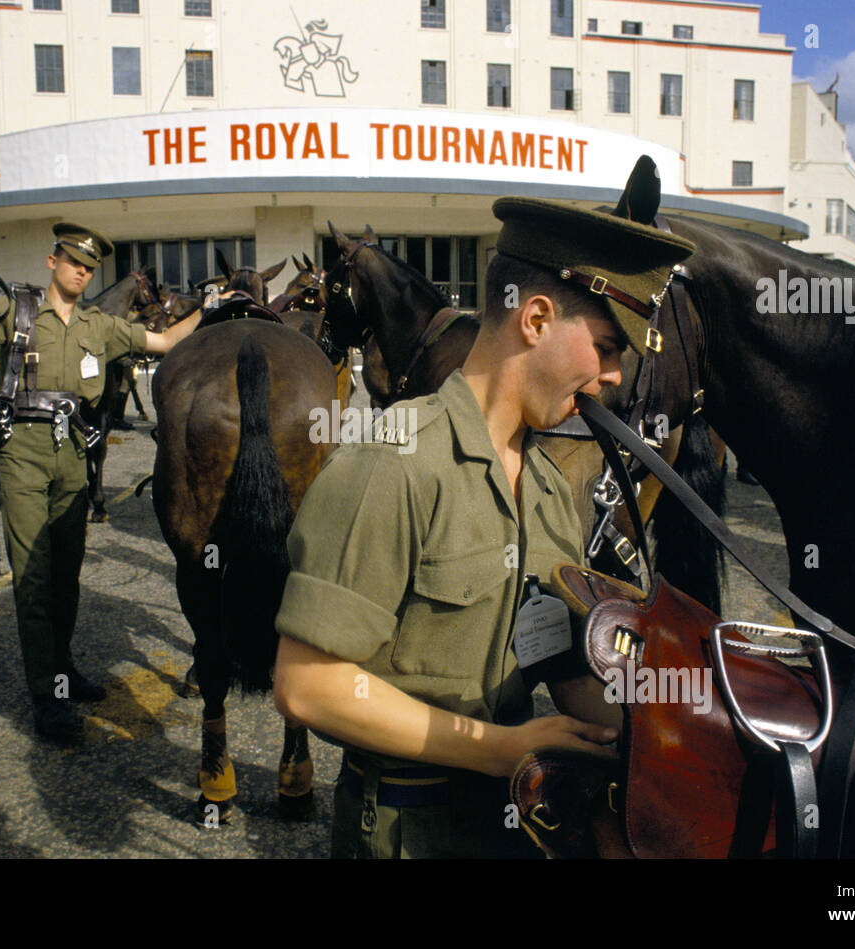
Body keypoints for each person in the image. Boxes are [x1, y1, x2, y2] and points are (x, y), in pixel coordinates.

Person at [272, 197, 696, 858]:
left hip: (518, 818)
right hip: (406, 828)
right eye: (607, 347)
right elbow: (308, 685)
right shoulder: (394, 463)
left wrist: (674, 743)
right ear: (535, 319)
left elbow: (560, 658)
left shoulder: (552, 485)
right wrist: (498, 747)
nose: (614, 377)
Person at [0, 223, 202, 744]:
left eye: (90, 266)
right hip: (22, 454)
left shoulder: (100, 325)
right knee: (32, 579)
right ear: (52, 261)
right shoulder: (16, 311)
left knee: (67, 576)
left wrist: (211, 306)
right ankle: (47, 703)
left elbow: (164, 340)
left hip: (74, 455)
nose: (82, 270)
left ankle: (62, 670)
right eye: (73, 261)